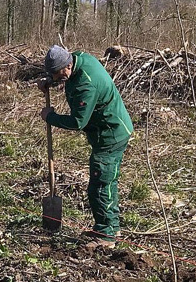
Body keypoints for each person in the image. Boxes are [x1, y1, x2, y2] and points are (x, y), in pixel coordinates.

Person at [38, 44, 133, 246]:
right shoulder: (80, 59)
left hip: (110, 134)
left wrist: (51, 117)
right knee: (107, 183)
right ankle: (111, 228)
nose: (56, 78)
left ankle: (106, 236)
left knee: (100, 184)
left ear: (67, 66)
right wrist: (50, 82)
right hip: (109, 130)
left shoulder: (86, 85)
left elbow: (78, 122)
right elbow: (66, 77)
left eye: (56, 74)